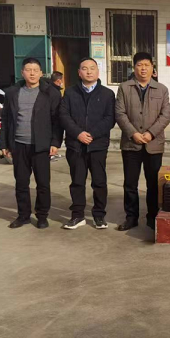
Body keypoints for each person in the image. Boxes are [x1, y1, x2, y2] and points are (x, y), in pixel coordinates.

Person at [0, 58, 62, 229]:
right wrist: (4, 143)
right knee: (21, 183)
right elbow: (6, 119)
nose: (32, 73)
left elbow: (57, 120)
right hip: (19, 144)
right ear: (22, 72)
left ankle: (42, 216)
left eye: (35, 70)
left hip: (41, 146)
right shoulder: (13, 92)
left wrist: (55, 142)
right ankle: (23, 215)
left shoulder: (51, 93)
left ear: (41, 73)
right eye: (28, 70)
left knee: (43, 183)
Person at [115, 52, 170, 231]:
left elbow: (166, 114)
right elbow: (119, 113)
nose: (143, 69)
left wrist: (151, 133)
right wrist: (133, 133)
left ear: (152, 68)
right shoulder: (124, 88)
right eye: (139, 65)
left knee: (153, 183)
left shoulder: (161, 89)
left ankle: (152, 217)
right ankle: (131, 217)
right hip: (131, 144)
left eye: (147, 65)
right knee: (130, 184)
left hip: (153, 144)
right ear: (134, 68)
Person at [59, 58, 115, 230]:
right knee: (77, 182)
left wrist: (92, 134)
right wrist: (78, 134)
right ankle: (77, 215)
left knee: (99, 182)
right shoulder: (70, 93)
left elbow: (110, 118)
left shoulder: (107, 94)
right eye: (85, 68)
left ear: (98, 72)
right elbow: (64, 115)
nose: (89, 71)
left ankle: (99, 215)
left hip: (97, 145)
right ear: (79, 72)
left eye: (92, 68)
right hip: (75, 145)